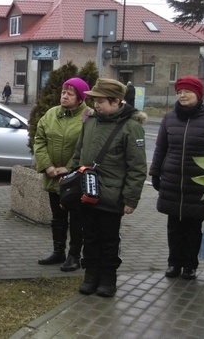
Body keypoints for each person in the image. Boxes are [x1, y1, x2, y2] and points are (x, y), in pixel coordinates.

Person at [68, 78, 147, 297]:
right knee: (90, 237)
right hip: (87, 192)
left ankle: (108, 279)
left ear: (116, 101)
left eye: (101, 101)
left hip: (112, 196)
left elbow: (137, 167)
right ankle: (90, 276)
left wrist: (131, 199)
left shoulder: (131, 127)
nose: (96, 105)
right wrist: (72, 179)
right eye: (94, 100)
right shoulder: (91, 121)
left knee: (109, 240)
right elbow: (79, 152)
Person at [150, 76, 204, 281]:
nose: (182, 95)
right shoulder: (169, 118)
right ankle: (174, 263)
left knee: (192, 227)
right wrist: (155, 172)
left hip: (199, 182)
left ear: (198, 94)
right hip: (173, 181)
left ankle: (190, 265)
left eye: (187, 92)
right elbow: (161, 148)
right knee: (173, 226)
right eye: (179, 92)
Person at [34, 77, 91, 272]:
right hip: (53, 177)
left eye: (70, 93)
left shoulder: (88, 117)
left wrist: (69, 167)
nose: (64, 96)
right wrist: (47, 165)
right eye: (63, 92)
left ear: (81, 98)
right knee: (57, 218)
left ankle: (74, 255)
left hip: (74, 178)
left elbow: (87, 148)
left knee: (76, 219)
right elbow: (39, 139)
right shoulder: (51, 114)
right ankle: (58, 251)